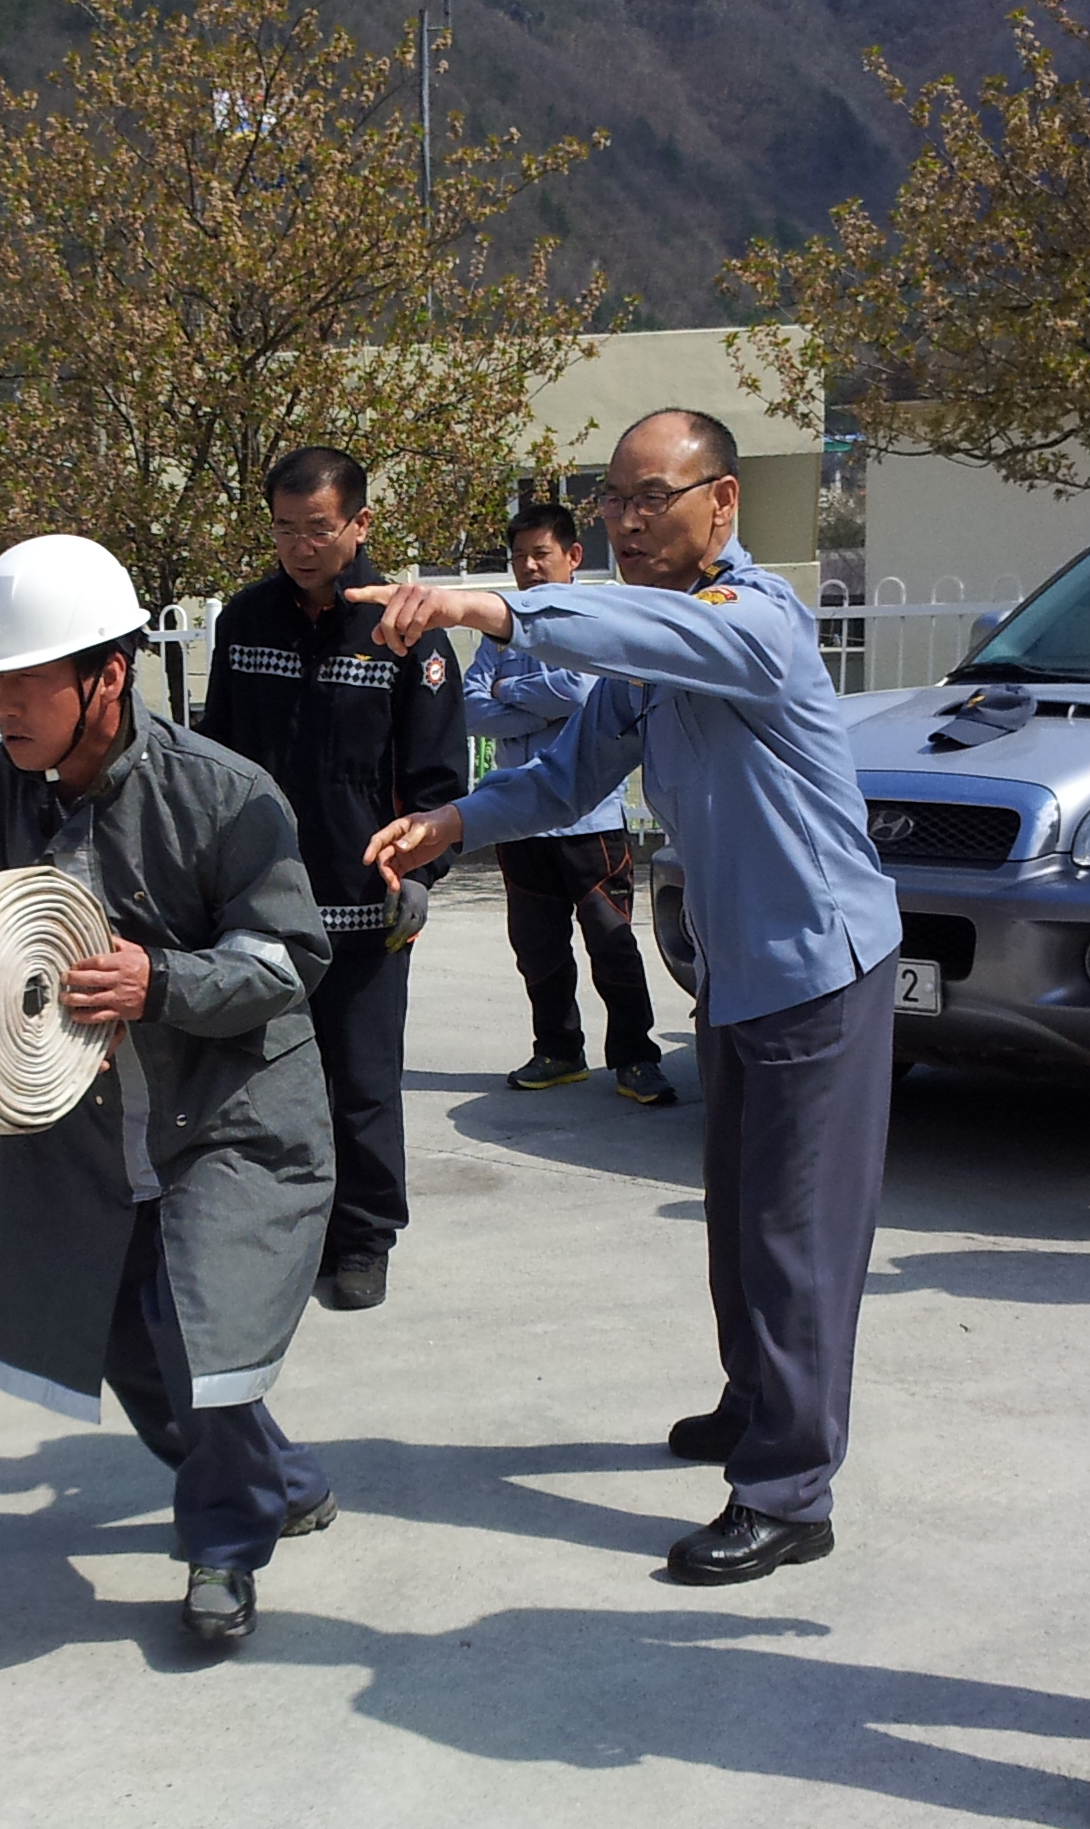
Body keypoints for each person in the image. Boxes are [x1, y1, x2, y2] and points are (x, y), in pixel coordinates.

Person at [359, 409, 903, 1585]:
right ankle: (759, 1401)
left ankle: (791, 1492)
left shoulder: (754, 622)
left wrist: (482, 608)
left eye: (653, 496)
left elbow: (649, 627)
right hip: (738, 975)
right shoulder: (651, 654)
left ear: (723, 503)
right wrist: (453, 821)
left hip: (818, 972)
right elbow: (563, 777)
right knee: (741, 1222)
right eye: (615, 498)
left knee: (798, 1237)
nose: (628, 520)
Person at [0, 534, 341, 1648]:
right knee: (117, 1337)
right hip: (78, 1129)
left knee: (196, 1330)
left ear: (108, 675)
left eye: (28, 682)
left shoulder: (222, 795)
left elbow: (286, 960)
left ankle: (222, 1549)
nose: (3, 707)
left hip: (229, 1115)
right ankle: (276, 1478)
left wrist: (160, 981)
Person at [199, 446, 470, 1312]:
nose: (299, 547)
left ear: (359, 524)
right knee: (262, 1086)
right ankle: (287, 1233)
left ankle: (362, 1239)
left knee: (359, 1087)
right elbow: (218, 759)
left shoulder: (407, 633)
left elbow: (437, 777)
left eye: (317, 529)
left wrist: (422, 872)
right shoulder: (245, 623)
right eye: (284, 529)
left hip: (363, 912)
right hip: (260, 906)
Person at [464, 498, 675, 1105]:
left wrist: (509, 690)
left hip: (590, 819)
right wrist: (537, 701)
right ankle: (558, 1051)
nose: (529, 567)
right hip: (520, 819)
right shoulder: (499, 629)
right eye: (519, 557)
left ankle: (635, 1058)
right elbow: (473, 708)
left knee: (611, 943)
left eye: (541, 554)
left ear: (573, 556)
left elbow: (580, 690)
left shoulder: (591, 619)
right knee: (538, 948)